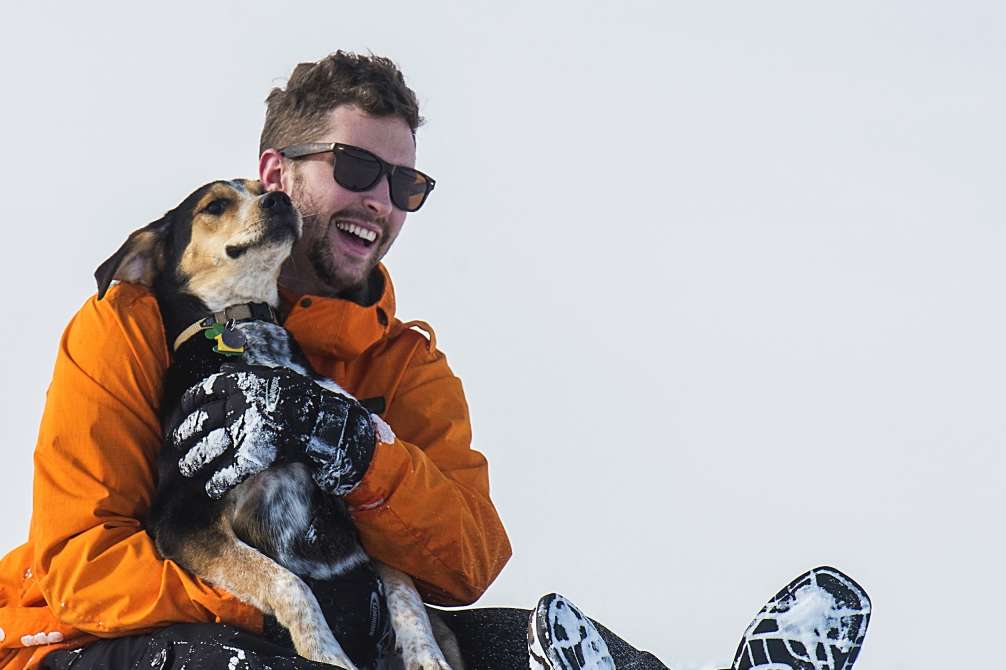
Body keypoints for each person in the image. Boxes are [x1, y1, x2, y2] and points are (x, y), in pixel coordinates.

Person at [0, 52, 674, 670]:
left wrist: (357, 451)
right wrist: (281, 607)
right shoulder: (131, 325)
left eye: (403, 183)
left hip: (333, 619)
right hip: (96, 638)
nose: (379, 201)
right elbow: (80, 565)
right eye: (354, 168)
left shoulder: (402, 366)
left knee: (525, 645)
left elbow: (466, 561)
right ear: (275, 176)